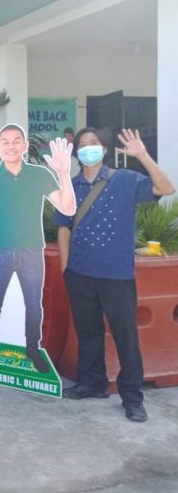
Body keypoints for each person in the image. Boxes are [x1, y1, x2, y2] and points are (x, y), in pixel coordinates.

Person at [55, 127, 175, 423]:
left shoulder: (123, 180)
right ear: (76, 153)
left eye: (93, 143)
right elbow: (63, 230)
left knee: (126, 336)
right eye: (82, 145)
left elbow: (166, 188)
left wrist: (143, 156)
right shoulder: (69, 187)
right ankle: (92, 383)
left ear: (104, 149)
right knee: (89, 332)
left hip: (116, 275)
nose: (88, 148)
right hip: (80, 273)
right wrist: (66, 269)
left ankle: (132, 397)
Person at [0, 125, 76, 374]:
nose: (11, 146)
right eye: (5, 142)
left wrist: (64, 173)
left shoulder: (40, 174)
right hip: (0, 251)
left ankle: (33, 348)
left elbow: (68, 208)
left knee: (34, 304)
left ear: (25, 146)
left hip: (32, 251)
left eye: (16, 141)